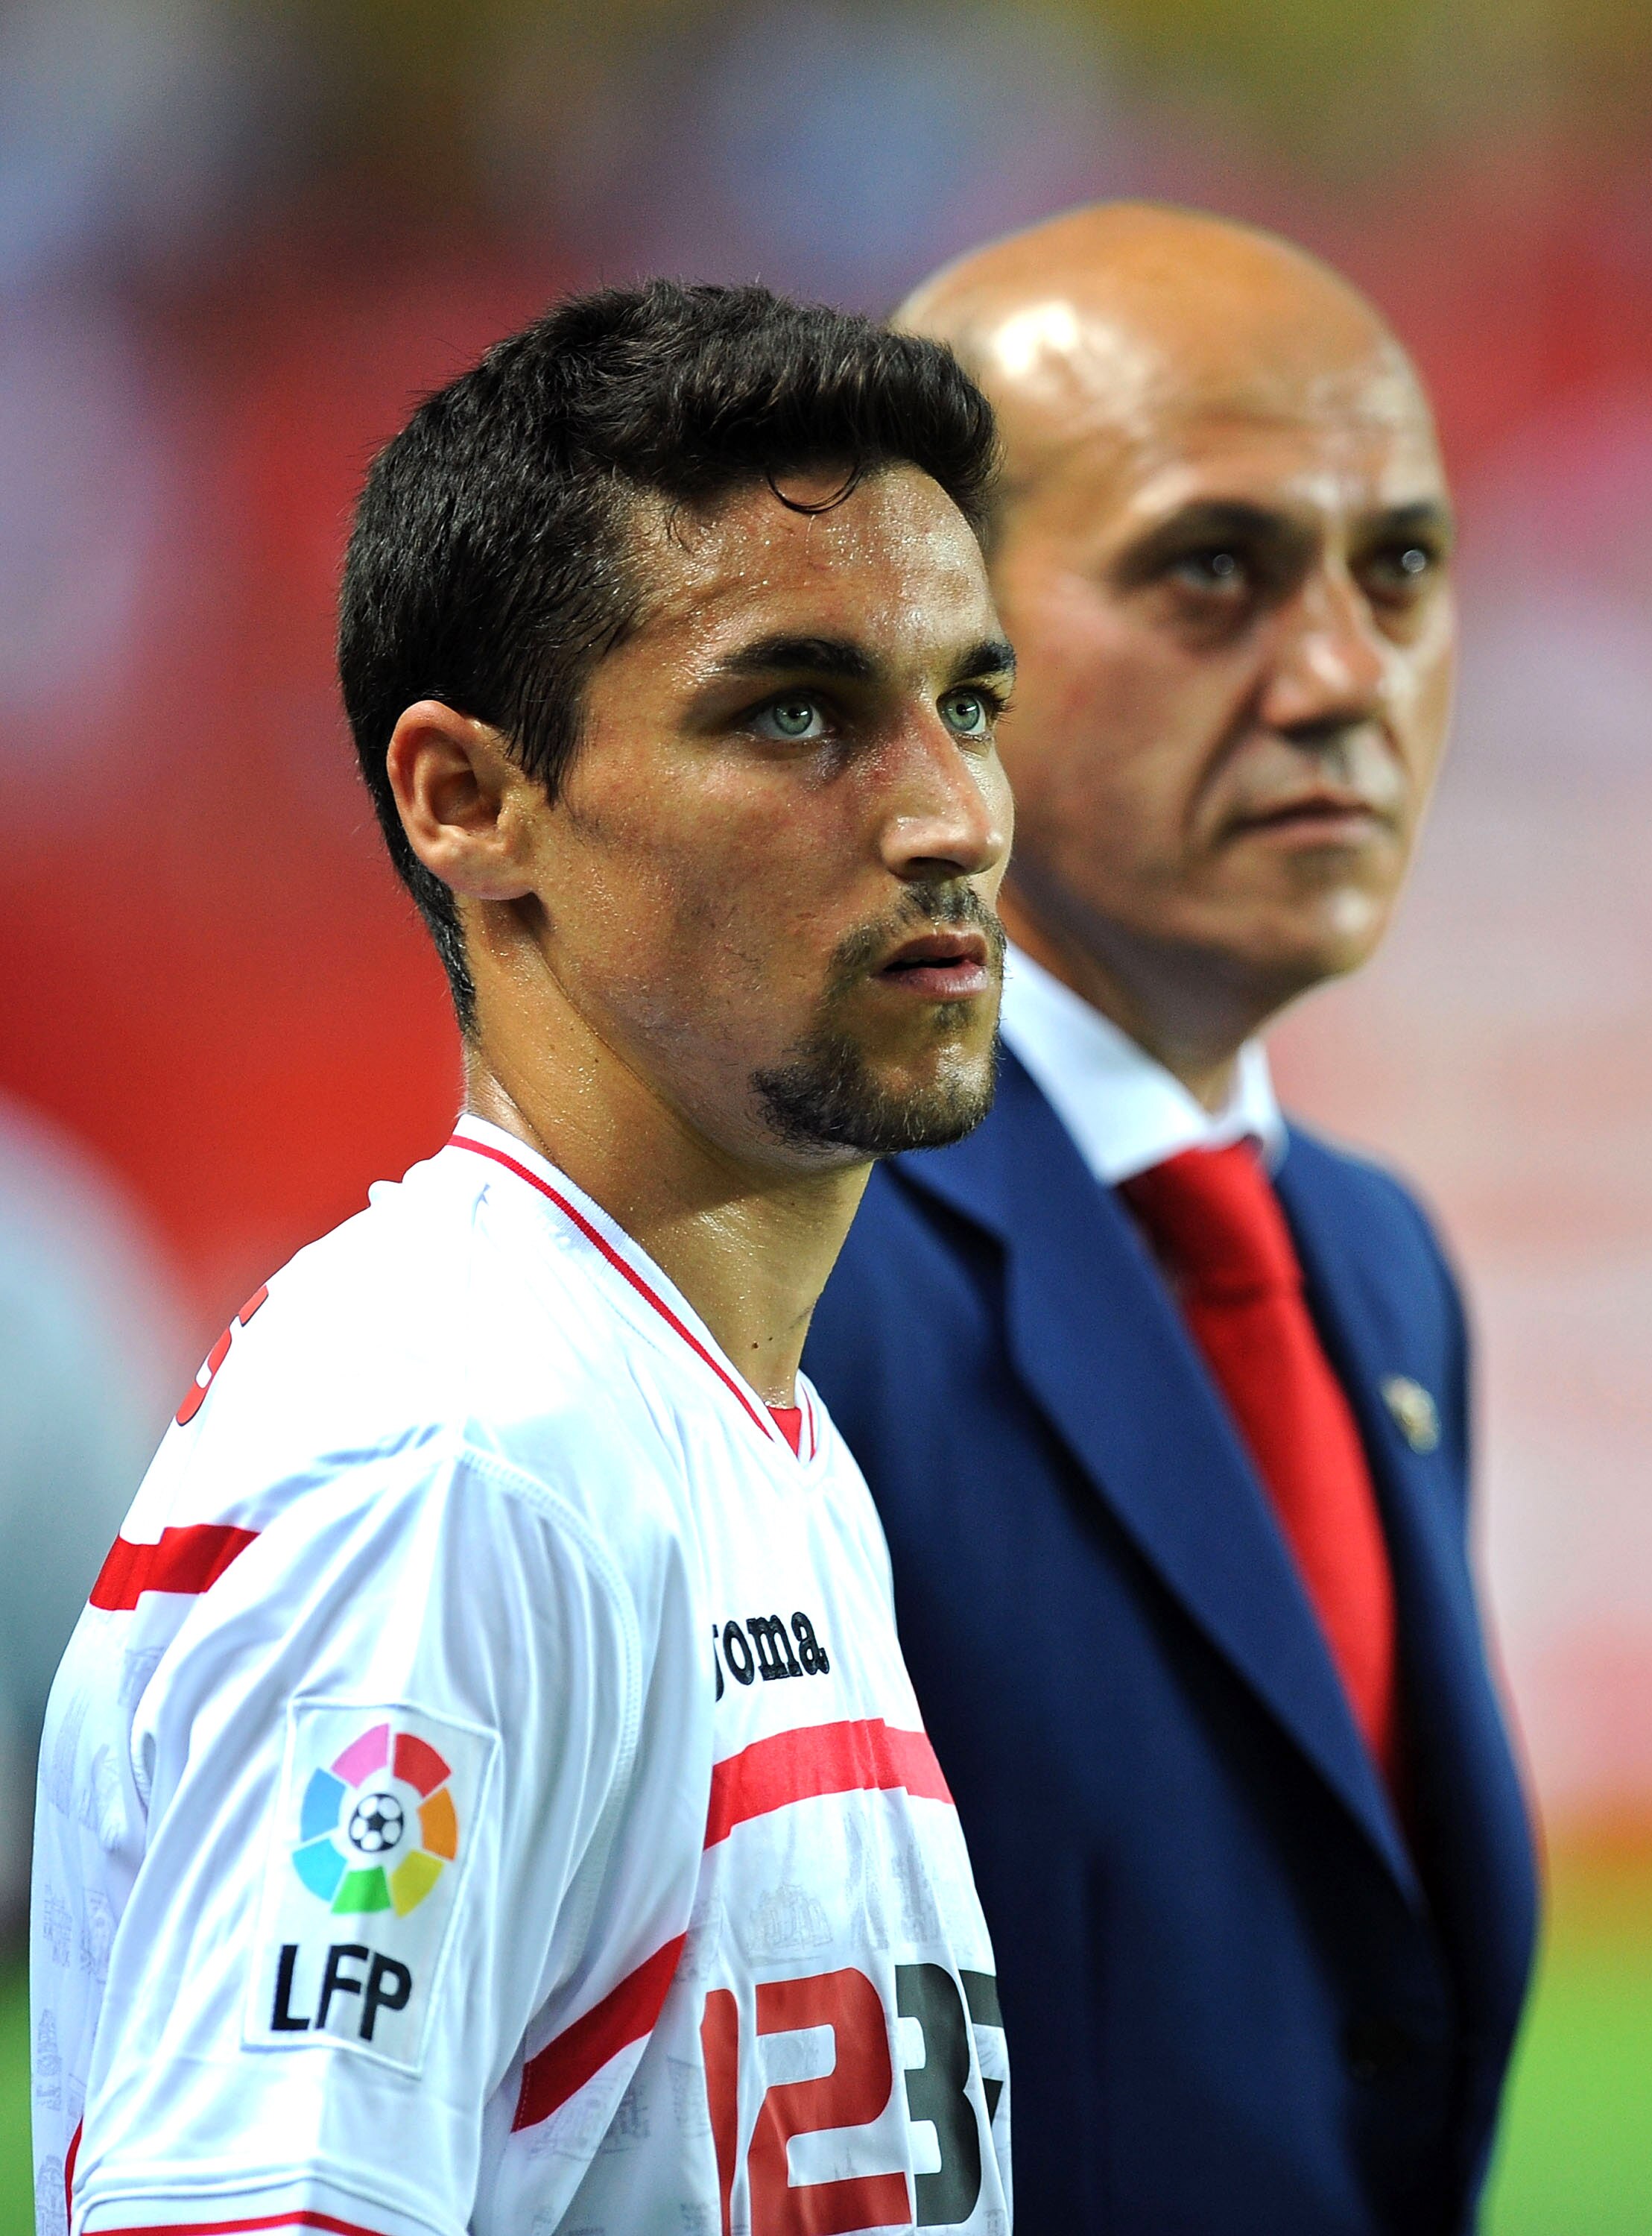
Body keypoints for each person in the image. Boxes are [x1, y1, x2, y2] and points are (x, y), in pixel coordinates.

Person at [34, 282, 1021, 2236]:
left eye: (970, 703)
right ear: (469, 801)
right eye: (797, 712)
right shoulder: (462, 1466)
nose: (947, 814)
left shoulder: (720, 1427)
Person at [805, 203, 1539, 2235]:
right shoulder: (781, 1254)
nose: (1345, 676)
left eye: (1402, 569)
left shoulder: (1373, 1265)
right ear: (931, 640)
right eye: (1214, 568)